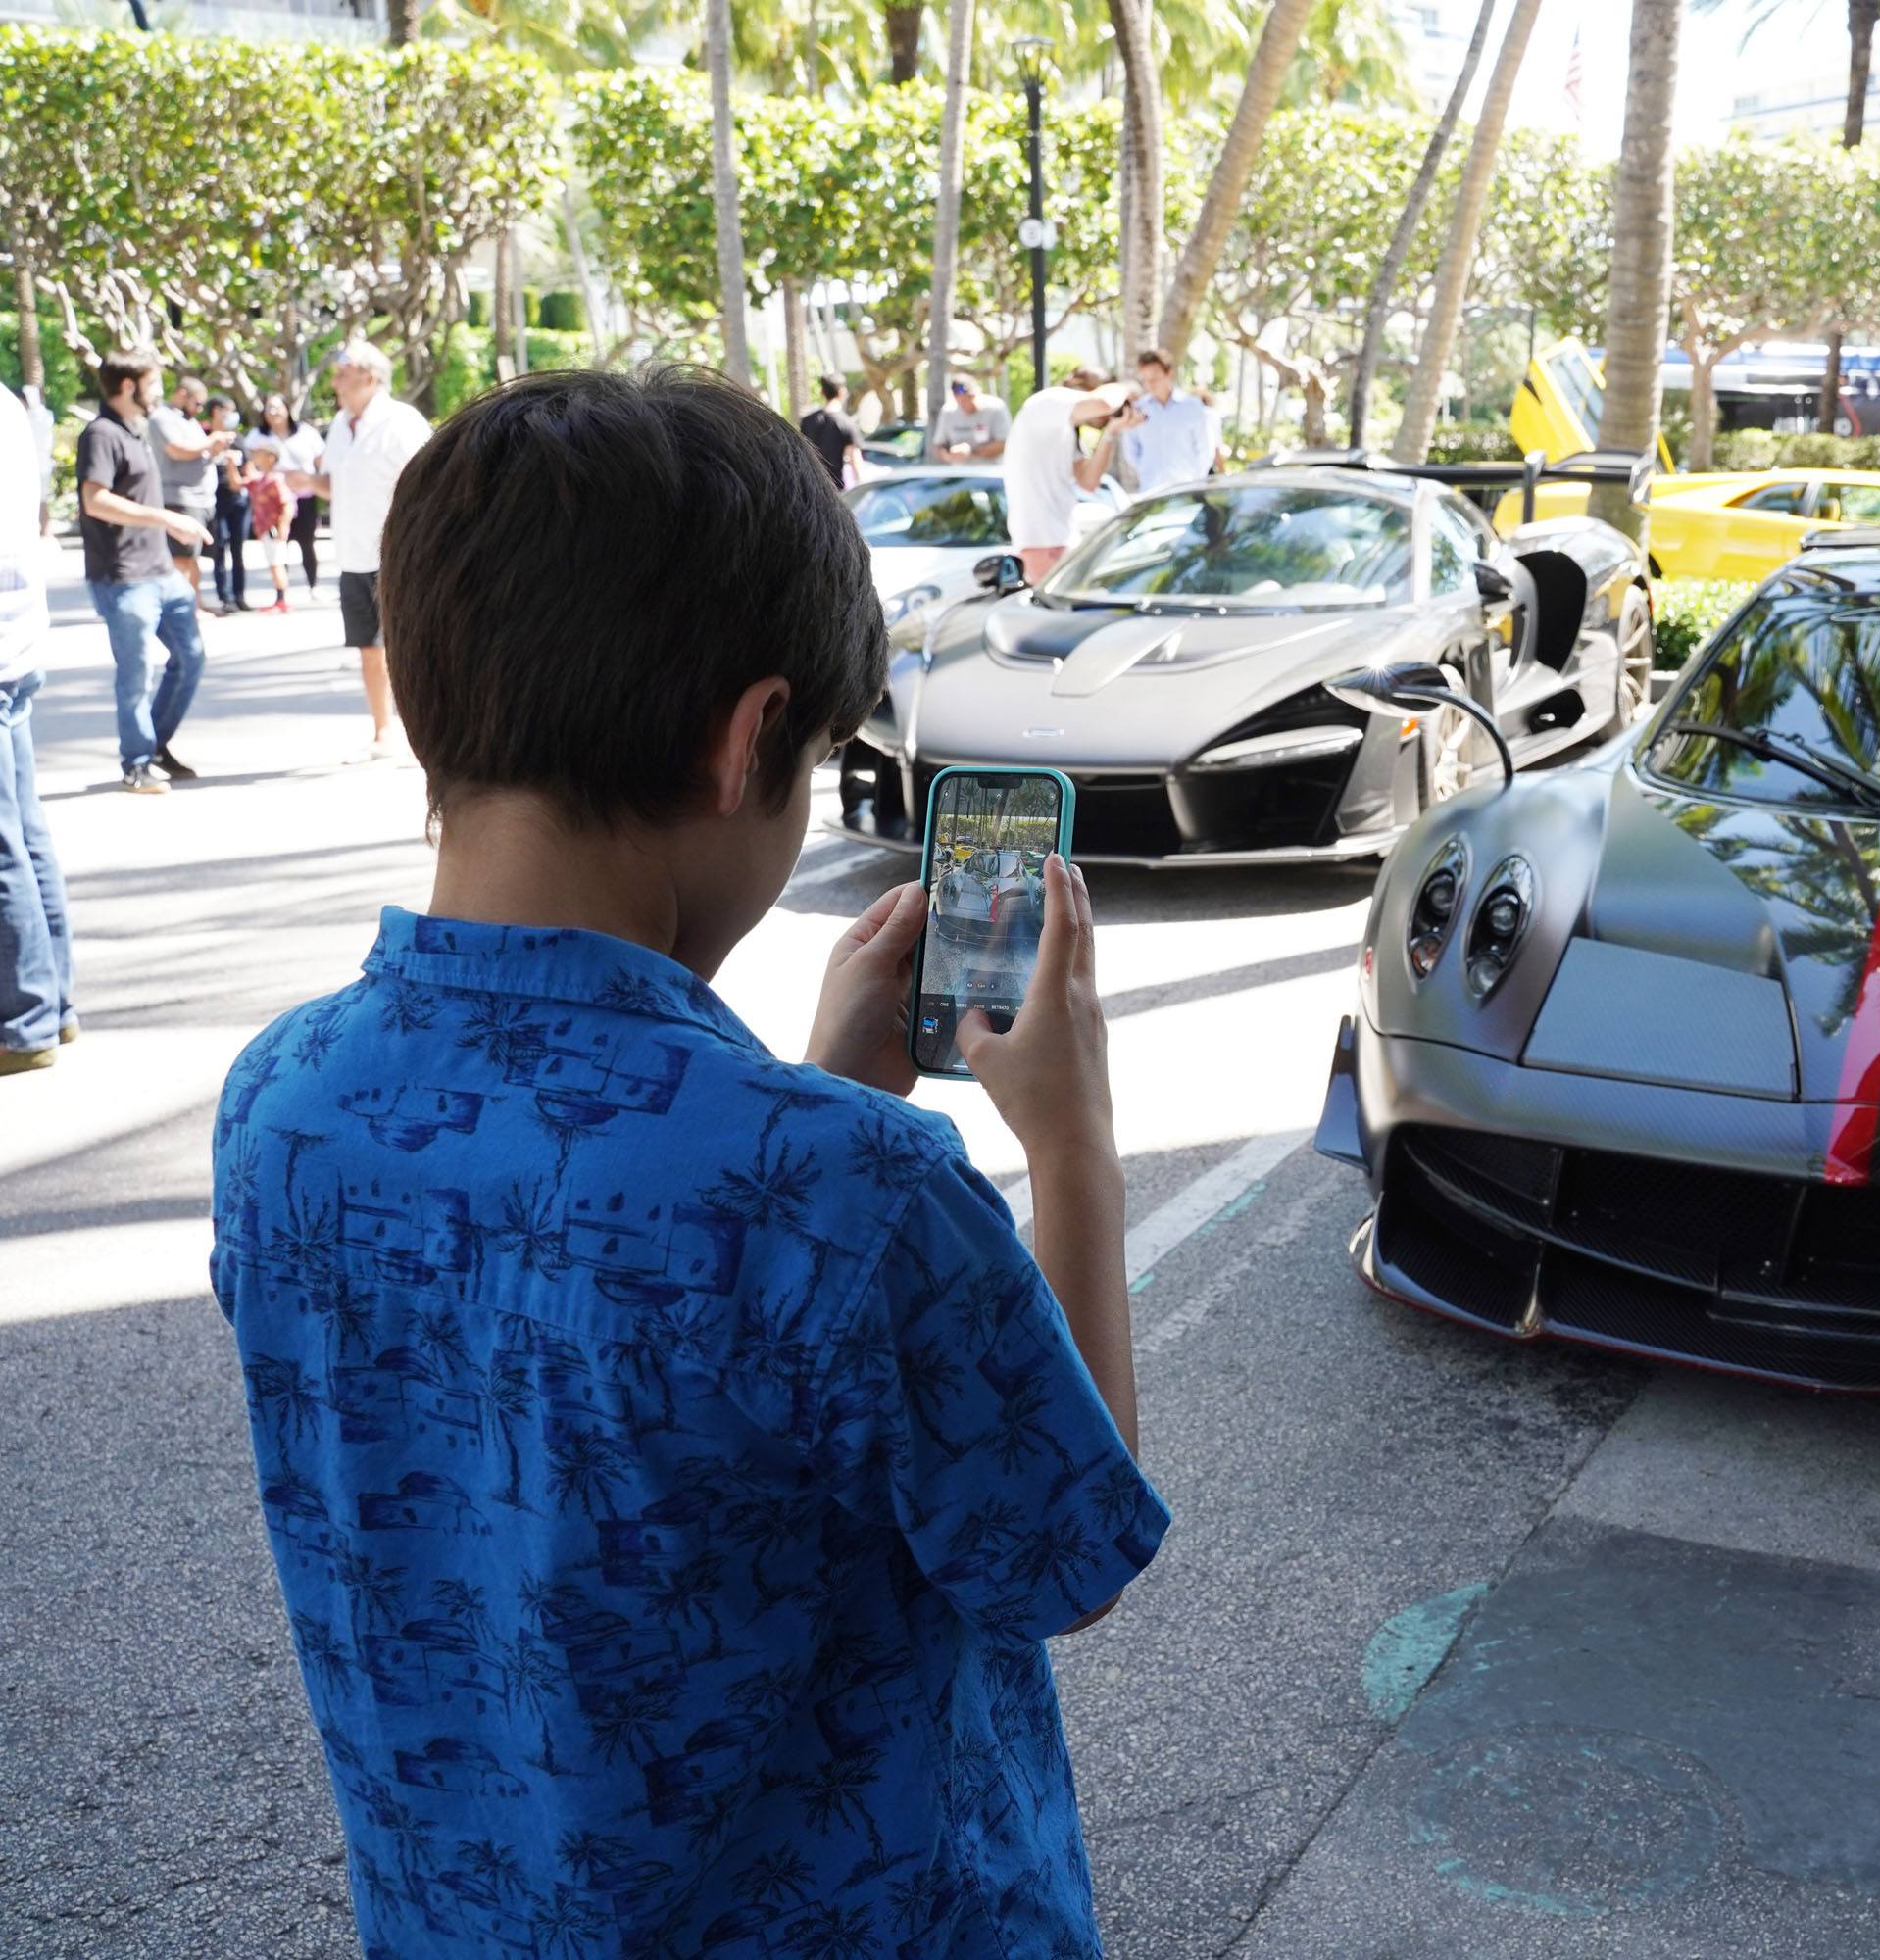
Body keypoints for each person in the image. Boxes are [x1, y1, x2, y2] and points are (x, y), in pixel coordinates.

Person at [209, 366, 1164, 1956]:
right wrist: (1074, 1149)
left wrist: (811, 1091)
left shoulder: (282, 1099)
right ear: (752, 738)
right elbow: (1060, 1558)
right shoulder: (854, 1195)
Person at [285, 340, 430, 760]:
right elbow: (333, 483)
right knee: (369, 647)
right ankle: (383, 733)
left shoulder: (401, 422)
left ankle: (425, 732)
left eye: (342, 373)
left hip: (399, 555)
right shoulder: (339, 423)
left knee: (412, 648)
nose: (334, 381)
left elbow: (428, 484)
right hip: (353, 555)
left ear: (370, 377)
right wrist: (309, 484)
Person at [78, 348, 213, 793]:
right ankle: (135, 763)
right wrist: (166, 518)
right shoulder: (100, 434)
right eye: (153, 383)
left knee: (190, 657)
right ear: (129, 386)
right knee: (136, 673)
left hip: (160, 572)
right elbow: (94, 500)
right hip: (123, 577)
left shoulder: (135, 430)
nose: (160, 392)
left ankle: (154, 745)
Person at [1, 361, 73, 1075]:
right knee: (24, 831)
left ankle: (25, 1023)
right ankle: (55, 1008)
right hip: (18, 640)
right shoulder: (11, 407)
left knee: (6, 845)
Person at [1004, 367, 1138, 583]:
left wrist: (1112, 432)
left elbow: (1088, 481)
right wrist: (1125, 389)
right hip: (1039, 541)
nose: (1106, 415)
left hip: (1061, 537)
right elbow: (1103, 403)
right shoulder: (1050, 400)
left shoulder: (1064, 427)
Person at [148, 374, 230, 611]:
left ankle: (195, 605)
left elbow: (198, 452)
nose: (201, 409)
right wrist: (211, 440)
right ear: (183, 394)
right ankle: (181, 610)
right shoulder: (162, 418)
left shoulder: (190, 422)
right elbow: (177, 450)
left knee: (193, 557)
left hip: (202, 499)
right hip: (180, 498)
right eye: (198, 402)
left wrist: (213, 449)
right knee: (181, 558)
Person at [245, 394, 324, 592]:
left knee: (307, 542)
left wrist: (318, 484)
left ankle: (313, 585)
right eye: (269, 408)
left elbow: (321, 463)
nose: (273, 413)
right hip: (273, 501)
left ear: (288, 409)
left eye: (277, 407)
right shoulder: (257, 436)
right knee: (279, 545)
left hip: (304, 495)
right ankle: (282, 593)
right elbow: (248, 466)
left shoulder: (306, 433)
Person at [1123, 347, 1222, 495]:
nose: (1150, 384)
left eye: (1154, 378)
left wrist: (1194, 481)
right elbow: (1131, 451)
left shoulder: (1193, 407)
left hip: (1186, 491)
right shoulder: (1137, 410)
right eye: (1145, 379)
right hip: (1150, 492)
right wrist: (1148, 472)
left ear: (1169, 374)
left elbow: (1205, 449)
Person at [206, 395, 254, 612]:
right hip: (216, 501)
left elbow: (249, 469)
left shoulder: (239, 440)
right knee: (219, 547)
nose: (232, 415)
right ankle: (224, 597)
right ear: (216, 411)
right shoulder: (204, 437)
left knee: (238, 548)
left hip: (239, 501)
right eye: (228, 410)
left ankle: (240, 595)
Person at [244, 446, 295, 613]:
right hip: (263, 529)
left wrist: (283, 526)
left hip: (273, 529)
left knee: (277, 563)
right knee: (273, 563)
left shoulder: (276, 480)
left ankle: (281, 600)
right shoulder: (261, 479)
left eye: (258, 454)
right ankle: (279, 598)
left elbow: (287, 503)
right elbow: (239, 483)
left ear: (270, 458)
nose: (255, 457)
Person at [798, 370, 865, 488]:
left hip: (811, 489)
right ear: (842, 392)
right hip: (835, 492)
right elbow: (855, 462)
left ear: (822, 393)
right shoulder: (847, 423)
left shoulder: (807, 421)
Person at [929, 374, 1012, 463]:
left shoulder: (995, 408)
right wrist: (947, 456)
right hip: (959, 472)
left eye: (969, 398)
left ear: (978, 393)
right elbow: (938, 445)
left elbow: (1005, 443)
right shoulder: (948, 411)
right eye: (960, 400)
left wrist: (972, 452)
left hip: (990, 472)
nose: (965, 404)